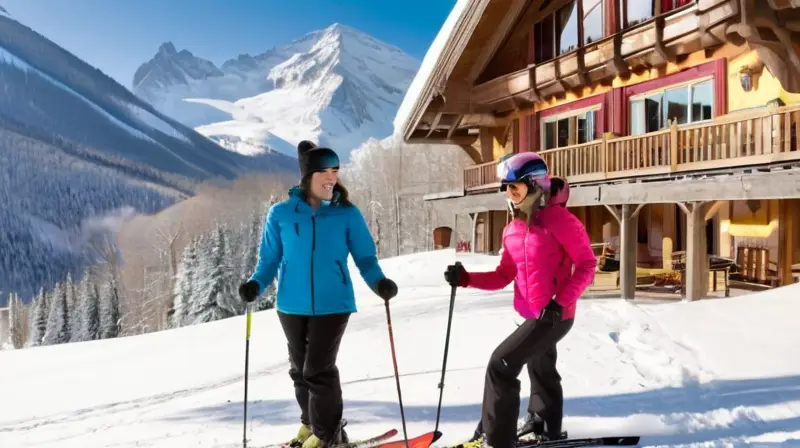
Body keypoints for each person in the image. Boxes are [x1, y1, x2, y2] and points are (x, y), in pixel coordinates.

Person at [239, 140, 399, 448]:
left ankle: (328, 435)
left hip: (333, 303)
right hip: (291, 305)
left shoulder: (346, 214)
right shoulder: (281, 214)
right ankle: (310, 425)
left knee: (318, 370)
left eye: (335, 170)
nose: (331, 177)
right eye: (324, 170)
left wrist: (379, 283)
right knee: (300, 372)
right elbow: (269, 260)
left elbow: (365, 258)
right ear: (307, 176)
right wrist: (255, 284)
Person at [444, 153, 595, 448]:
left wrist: (558, 303)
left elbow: (587, 265)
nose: (510, 195)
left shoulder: (561, 221)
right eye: (507, 188)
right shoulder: (513, 229)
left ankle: (497, 439)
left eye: (516, 187)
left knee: (501, 365)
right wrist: (466, 278)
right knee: (541, 367)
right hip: (531, 313)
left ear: (536, 185)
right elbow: (503, 274)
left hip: (555, 315)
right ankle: (545, 423)